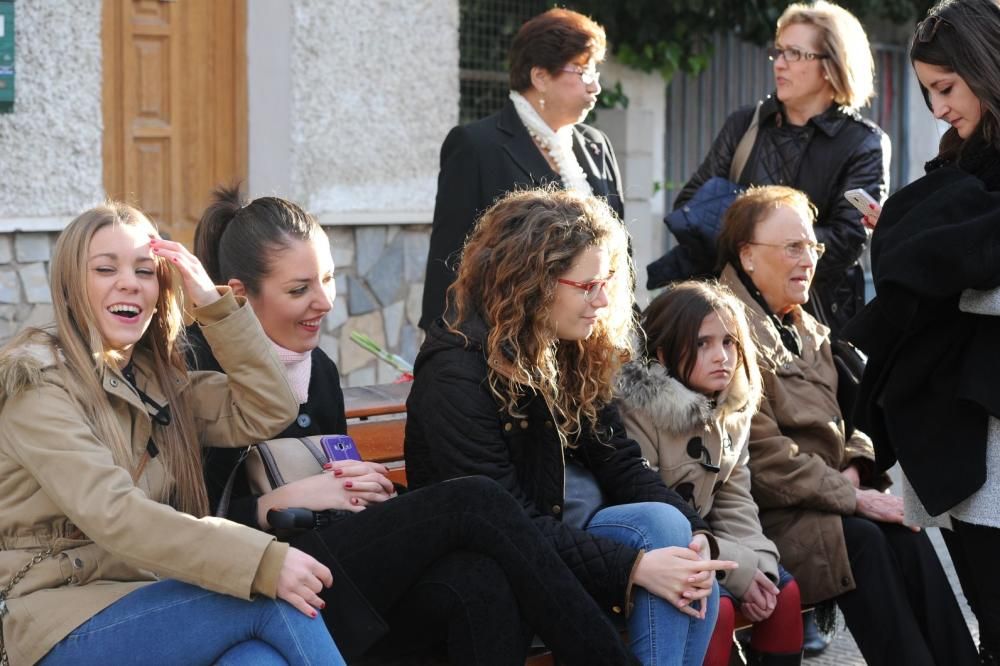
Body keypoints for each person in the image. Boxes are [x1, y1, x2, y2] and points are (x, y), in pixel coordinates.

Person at [190, 185, 638, 665]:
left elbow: (332, 474)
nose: (324, 302)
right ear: (238, 294)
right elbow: (177, 525)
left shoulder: (317, 367)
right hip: (255, 581)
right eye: (299, 290)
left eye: (328, 278)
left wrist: (363, 484)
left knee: (480, 580)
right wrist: (271, 503)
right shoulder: (196, 367)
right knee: (477, 499)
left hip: (330, 568)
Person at [406, 187, 740, 666]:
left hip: (558, 533)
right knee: (669, 553)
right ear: (530, 282)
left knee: (676, 535)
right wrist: (637, 567)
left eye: (606, 281)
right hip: (486, 562)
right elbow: (508, 524)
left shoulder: (570, 349)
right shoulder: (456, 374)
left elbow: (619, 461)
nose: (603, 301)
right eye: (587, 286)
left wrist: (697, 531)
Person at [0, 203, 343, 665]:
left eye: (146, 270)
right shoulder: (38, 385)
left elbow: (269, 406)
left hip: (143, 597)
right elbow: (116, 514)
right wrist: (262, 561)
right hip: (54, 619)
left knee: (256, 661)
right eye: (105, 268)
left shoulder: (155, 382)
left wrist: (213, 305)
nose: (129, 282)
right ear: (69, 284)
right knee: (273, 600)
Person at [713, 185, 977, 665]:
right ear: (748, 256)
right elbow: (761, 456)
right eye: (792, 246)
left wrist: (855, 470)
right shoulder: (724, 331)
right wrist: (851, 495)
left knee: (906, 533)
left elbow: (854, 418)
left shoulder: (806, 324)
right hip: (759, 515)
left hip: (825, 498)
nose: (808, 259)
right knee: (864, 541)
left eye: (812, 246)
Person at [842, 1, 1000, 661]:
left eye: (946, 88)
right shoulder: (963, 164)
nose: (937, 109)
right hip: (969, 431)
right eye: (928, 92)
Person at [649, 0, 889, 336]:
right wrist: (760, 245)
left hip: (814, 319)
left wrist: (763, 243)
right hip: (731, 311)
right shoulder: (745, 124)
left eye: (795, 53)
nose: (780, 64)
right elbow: (689, 205)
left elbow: (846, 241)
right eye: (779, 51)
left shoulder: (862, 142)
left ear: (831, 65)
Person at [616, 281, 803, 666]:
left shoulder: (731, 408)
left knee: (784, 596)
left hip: (711, 550)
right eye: (703, 343)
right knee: (718, 613)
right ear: (664, 352)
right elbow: (650, 511)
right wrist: (740, 570)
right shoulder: (638, 410)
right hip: (659, 553)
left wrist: (759, 566)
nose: (722, 356)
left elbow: (736, 498)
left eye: (729, 342)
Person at [420, 7, 624, 330]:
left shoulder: (596, 146)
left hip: (593, 337)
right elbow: (449, 260)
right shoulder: (476, 145)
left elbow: (619, 257)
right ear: (540, 77)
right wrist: (443, 348)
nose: (595, 86)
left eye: (596, 73)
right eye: (583, 71)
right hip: (508, 340)